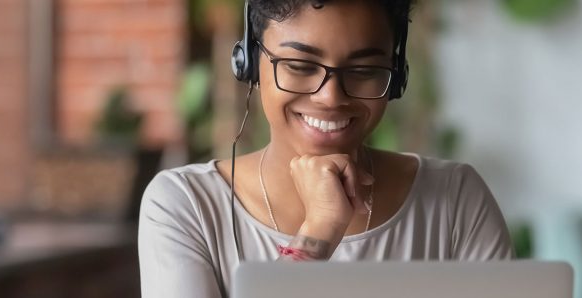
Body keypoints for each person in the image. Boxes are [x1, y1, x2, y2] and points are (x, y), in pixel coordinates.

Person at [138, 0, 513, 297]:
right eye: (300, 65)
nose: (330, 97)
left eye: (364, 71)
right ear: (250, 63)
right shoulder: (185, 206)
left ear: (396, 76)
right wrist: (318, 231)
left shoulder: (455, 199)